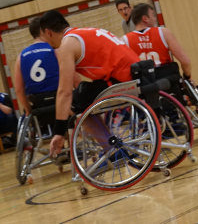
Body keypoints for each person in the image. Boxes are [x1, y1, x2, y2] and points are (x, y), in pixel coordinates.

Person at [39, 10, 140, 157]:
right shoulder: (84, 32)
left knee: (74, 105)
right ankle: (112, 143)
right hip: (136, 74)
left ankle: (112, 150)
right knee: (83, 96)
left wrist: (59, 132)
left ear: (48, 33)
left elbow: (64, 92)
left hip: (121, 81)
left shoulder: (67, 45)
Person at [123, 3, 192, 80]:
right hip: (168, 81)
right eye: (153, 15)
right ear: (145, 18)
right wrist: (187, 77)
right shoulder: (163, 32)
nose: (155, 19)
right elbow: (185, 61)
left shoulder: (125, 40)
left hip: (146, 85)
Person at [13, 17, 60, 116]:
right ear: (44, 31)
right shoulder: (55, 50)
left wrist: (28, 109)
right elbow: (73, 78)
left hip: (38, 105)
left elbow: (19, 89)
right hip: (60, 100)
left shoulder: (21, 56)